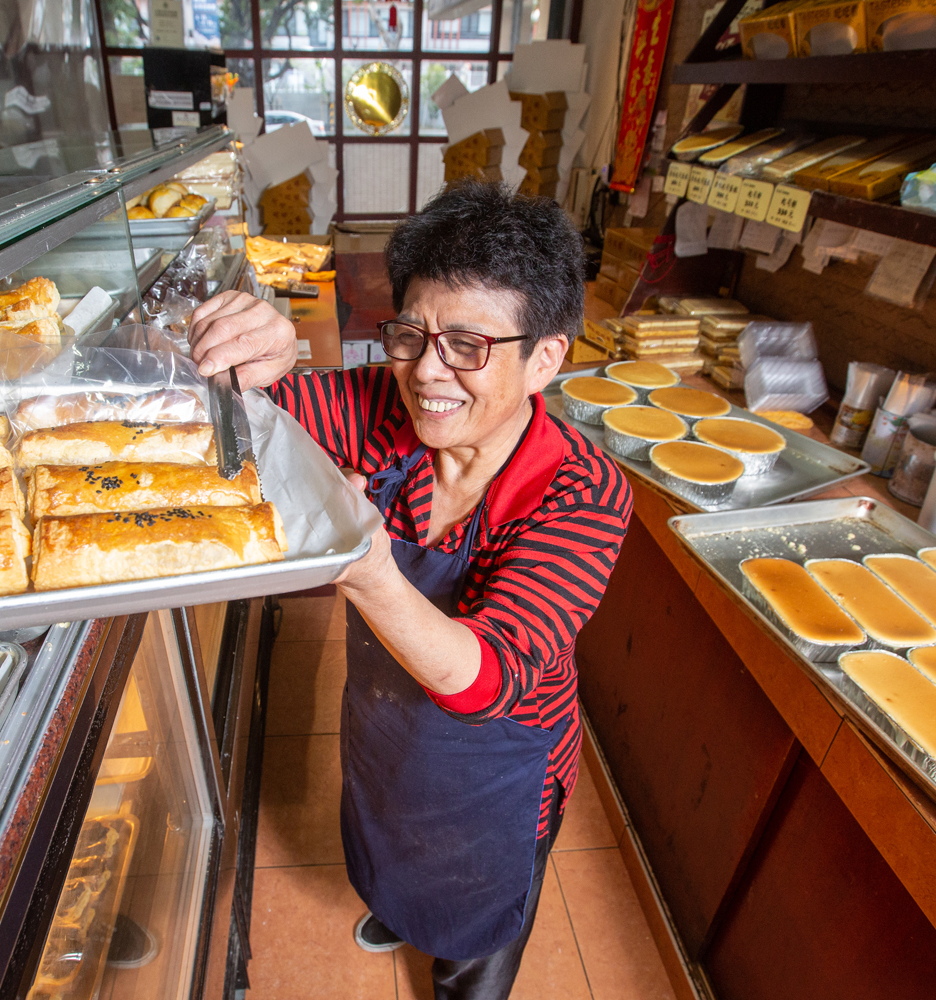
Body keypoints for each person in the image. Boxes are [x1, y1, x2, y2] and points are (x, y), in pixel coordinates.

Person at [188, 182, 631, 1000]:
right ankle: (399, 908)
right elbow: (253, 419)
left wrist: (366, 563)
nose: (428, 373)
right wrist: (262, 351)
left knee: (473, 938)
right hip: (387, 723)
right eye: (411, 334)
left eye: (469, 345)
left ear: (546, 357)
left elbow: (487, 676)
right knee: (391, 836)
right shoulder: (380, 405)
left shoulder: (582, 492)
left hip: (499, 769)